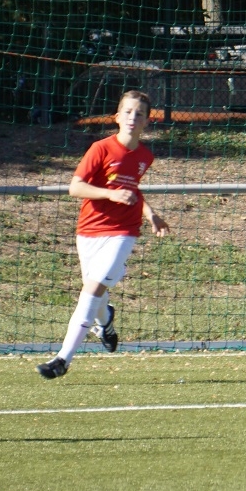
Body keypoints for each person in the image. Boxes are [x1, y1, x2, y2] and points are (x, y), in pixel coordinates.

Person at [37, 90, 169, 379]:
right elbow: (76, 187)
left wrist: (150, 214)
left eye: (140, 114)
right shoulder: (100, 148)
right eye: (128, 112)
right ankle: (106, 319)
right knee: (94, 291)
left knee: (92, 290)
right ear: (117, 117)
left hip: (123, 232)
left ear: (147, 121)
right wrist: (111, 194)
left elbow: (132, 191)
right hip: (89, 230)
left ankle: (63, 359)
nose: (133, 117)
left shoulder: (145, 156)